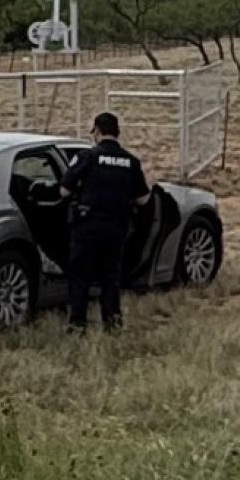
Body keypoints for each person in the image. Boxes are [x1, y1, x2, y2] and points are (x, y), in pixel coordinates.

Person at [56, 112, 150, 332]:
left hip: (87, 228)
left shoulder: (88, 157)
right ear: (117, 132)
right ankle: (112, 324)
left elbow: (63, 191)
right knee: (111, 277)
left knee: (80, 276)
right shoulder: (131, 162)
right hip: (116, 228)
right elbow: (143, 199)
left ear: (97, 131)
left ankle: (77, 325)